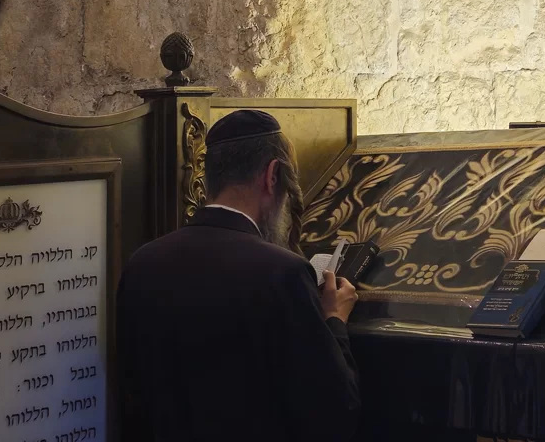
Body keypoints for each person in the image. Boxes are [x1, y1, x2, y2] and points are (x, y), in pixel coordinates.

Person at [119, 109, 363, 441]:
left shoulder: (141, 264)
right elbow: (334, 411)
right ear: (273, 175)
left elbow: (131, 395)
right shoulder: (283, 273)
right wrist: (334, 319)